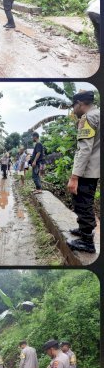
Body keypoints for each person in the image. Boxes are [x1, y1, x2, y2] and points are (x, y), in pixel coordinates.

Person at [66, 90, 99, 254]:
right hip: (95, 169)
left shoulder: (88, 117)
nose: (73, 110)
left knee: (82, 202)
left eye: (73, 106)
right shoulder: (99, 114)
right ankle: (84, 230)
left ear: (79, 103)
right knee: (86, 201)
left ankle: (87, 242)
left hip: (87, 171)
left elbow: (84, 150)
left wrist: (74, 177)